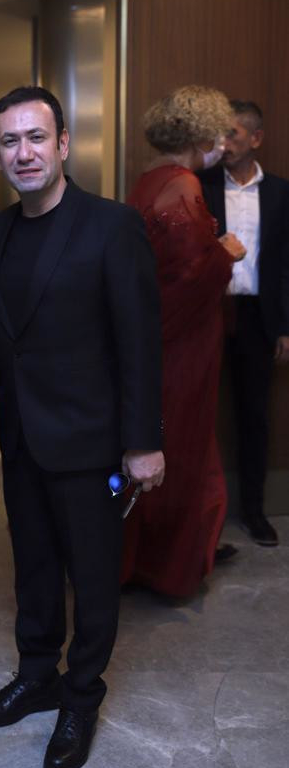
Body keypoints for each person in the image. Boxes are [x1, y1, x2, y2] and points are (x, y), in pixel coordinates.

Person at [0, 86, 164, 768]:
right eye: (9, 141)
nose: (23, 152)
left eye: (36, 137)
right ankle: (37, 675)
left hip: (90, 441)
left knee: (92, 575)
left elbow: (140, 341)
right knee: (32, 565)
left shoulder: (111, 226)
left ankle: (81, 696)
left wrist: (144, 441)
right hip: (23, 436)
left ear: (62, 144)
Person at [121, 86, 245, 598]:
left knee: (157, 445)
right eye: (219, 133)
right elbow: (190, 275)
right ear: (200, 135)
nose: (223, 143)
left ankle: (139, 558)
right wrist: (227, 253)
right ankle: (169, 566)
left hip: (156, 340)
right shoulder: (183, 183)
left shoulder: (148, 180)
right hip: (182, 345)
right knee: (180, 448)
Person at [198, 100, 289, 548]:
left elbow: (286, 264)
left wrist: (285, 326)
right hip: (209, 313)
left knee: (254, 417)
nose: (224, 143)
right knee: (198, 414)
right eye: (218, 134)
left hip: (257, 317)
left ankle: (254, 512)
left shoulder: (280, 193)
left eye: (232, 133)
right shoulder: (200, 186)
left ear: (256, 139)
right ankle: (197, 522)